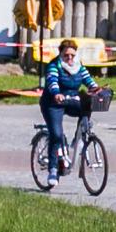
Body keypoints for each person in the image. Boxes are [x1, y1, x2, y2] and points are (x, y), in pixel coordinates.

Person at [36, 38, 100, 171]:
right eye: (66, 55)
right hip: (53, 103)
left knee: (86, 106)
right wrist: (56, 93)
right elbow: (52, 81)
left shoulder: (78, 66)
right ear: (60, 54)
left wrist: (96, 89)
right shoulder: (54, 65)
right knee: (56, 135)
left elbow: (88, 79)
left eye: (72, 55)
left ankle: (79, 137)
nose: (69, 58)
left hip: (70, 100)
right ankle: (53, 170)